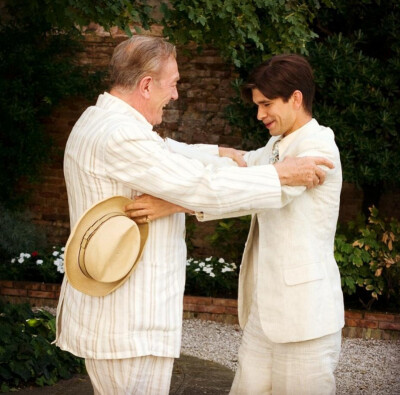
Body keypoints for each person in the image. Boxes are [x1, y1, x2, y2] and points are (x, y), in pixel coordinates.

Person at [55, 34, 334, 395]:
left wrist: (217, 156)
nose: (175, 94)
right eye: (172, 85)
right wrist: (278, 174)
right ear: (145, 85)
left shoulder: (102, 121)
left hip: (126, 322)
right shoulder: (120, 135)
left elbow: (168, 153)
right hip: (127, 322)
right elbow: (199, 184)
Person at [128, 54, 344, 394]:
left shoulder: (318, 146)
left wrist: (171, 204)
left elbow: (260, 193)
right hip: (264, 313)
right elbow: (239, 164)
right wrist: (162, 148)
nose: (259, 115)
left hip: (305, 318)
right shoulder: (279, 143)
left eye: (266, 104)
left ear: (297, 98)